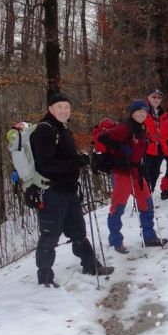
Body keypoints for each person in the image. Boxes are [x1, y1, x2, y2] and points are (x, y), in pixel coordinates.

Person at [30, 93, 114, 286]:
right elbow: (46, 164)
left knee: (78, 231)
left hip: (68, 191)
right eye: (59, 107)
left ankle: (90, 265)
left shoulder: (63, 129)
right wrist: (74, 163)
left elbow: (64, 155)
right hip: (51, 193)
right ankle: (44, 279)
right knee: (49, 236)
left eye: (66, 107)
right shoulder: (44, 130)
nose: (63, 110)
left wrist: (79, 157)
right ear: (50, 109)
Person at [99, 99, 168, 254]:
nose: (142, 113)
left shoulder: (141, 128)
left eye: (145, 111)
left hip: (137, 172)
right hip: (122, 173)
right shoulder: (125, 127)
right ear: (132, 112)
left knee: (146, 203)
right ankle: (116, 241)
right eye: (139, 111)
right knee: (118, 208)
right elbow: (103, 138)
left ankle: (149, 237)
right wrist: (121, 148)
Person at [143, 89, 165, 192]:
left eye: (159, 97)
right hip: (147, 147)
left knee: (155, 173)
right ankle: (144, 198)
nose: (156, 99)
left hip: (160, 147)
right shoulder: (143, 110)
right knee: (145, 173)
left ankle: (149, 193)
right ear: (148, 97)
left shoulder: (163, 112)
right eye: (154, 97)